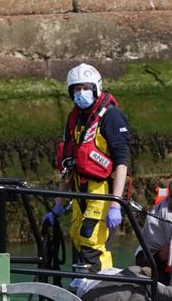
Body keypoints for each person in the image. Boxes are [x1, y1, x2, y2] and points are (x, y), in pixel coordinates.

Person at [45, 63, 131, 272]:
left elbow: (122, 161)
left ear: (95, 88)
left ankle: (100, 295)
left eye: (85, 87)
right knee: (78, 235)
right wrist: (58, 206)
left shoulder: (111, 116)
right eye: (76, 89)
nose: (80, 93)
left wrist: (116, 203)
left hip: (102, 192)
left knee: (93, 242)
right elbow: (67, 164)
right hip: (78, 191)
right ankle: (81, 291)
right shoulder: (74, 119)